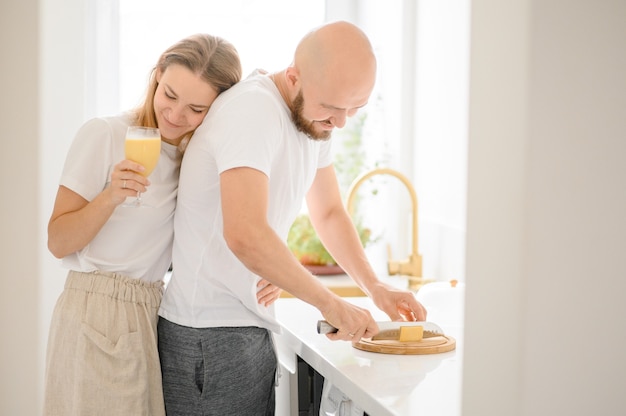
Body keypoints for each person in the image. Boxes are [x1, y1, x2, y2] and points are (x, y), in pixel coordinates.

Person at [157, 21, 428, 415]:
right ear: (294, 77)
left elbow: (330, 213)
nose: (340, 122)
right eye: (332, 108)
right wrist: (330, 304)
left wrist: (375, 287)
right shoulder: (254, 111)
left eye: (354, 109)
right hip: (207, 336)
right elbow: (246, 234)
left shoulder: (314, 121)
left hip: (242, 328)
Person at [43, 34, 280, 416]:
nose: (175, 115)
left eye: (196, 108)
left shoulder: (194, 157)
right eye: (169, 94)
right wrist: (110, 196)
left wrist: (269, 271)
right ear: (156, 76)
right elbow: (57, 241)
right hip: (95, 312)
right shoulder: (104, 134)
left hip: (150, 314)